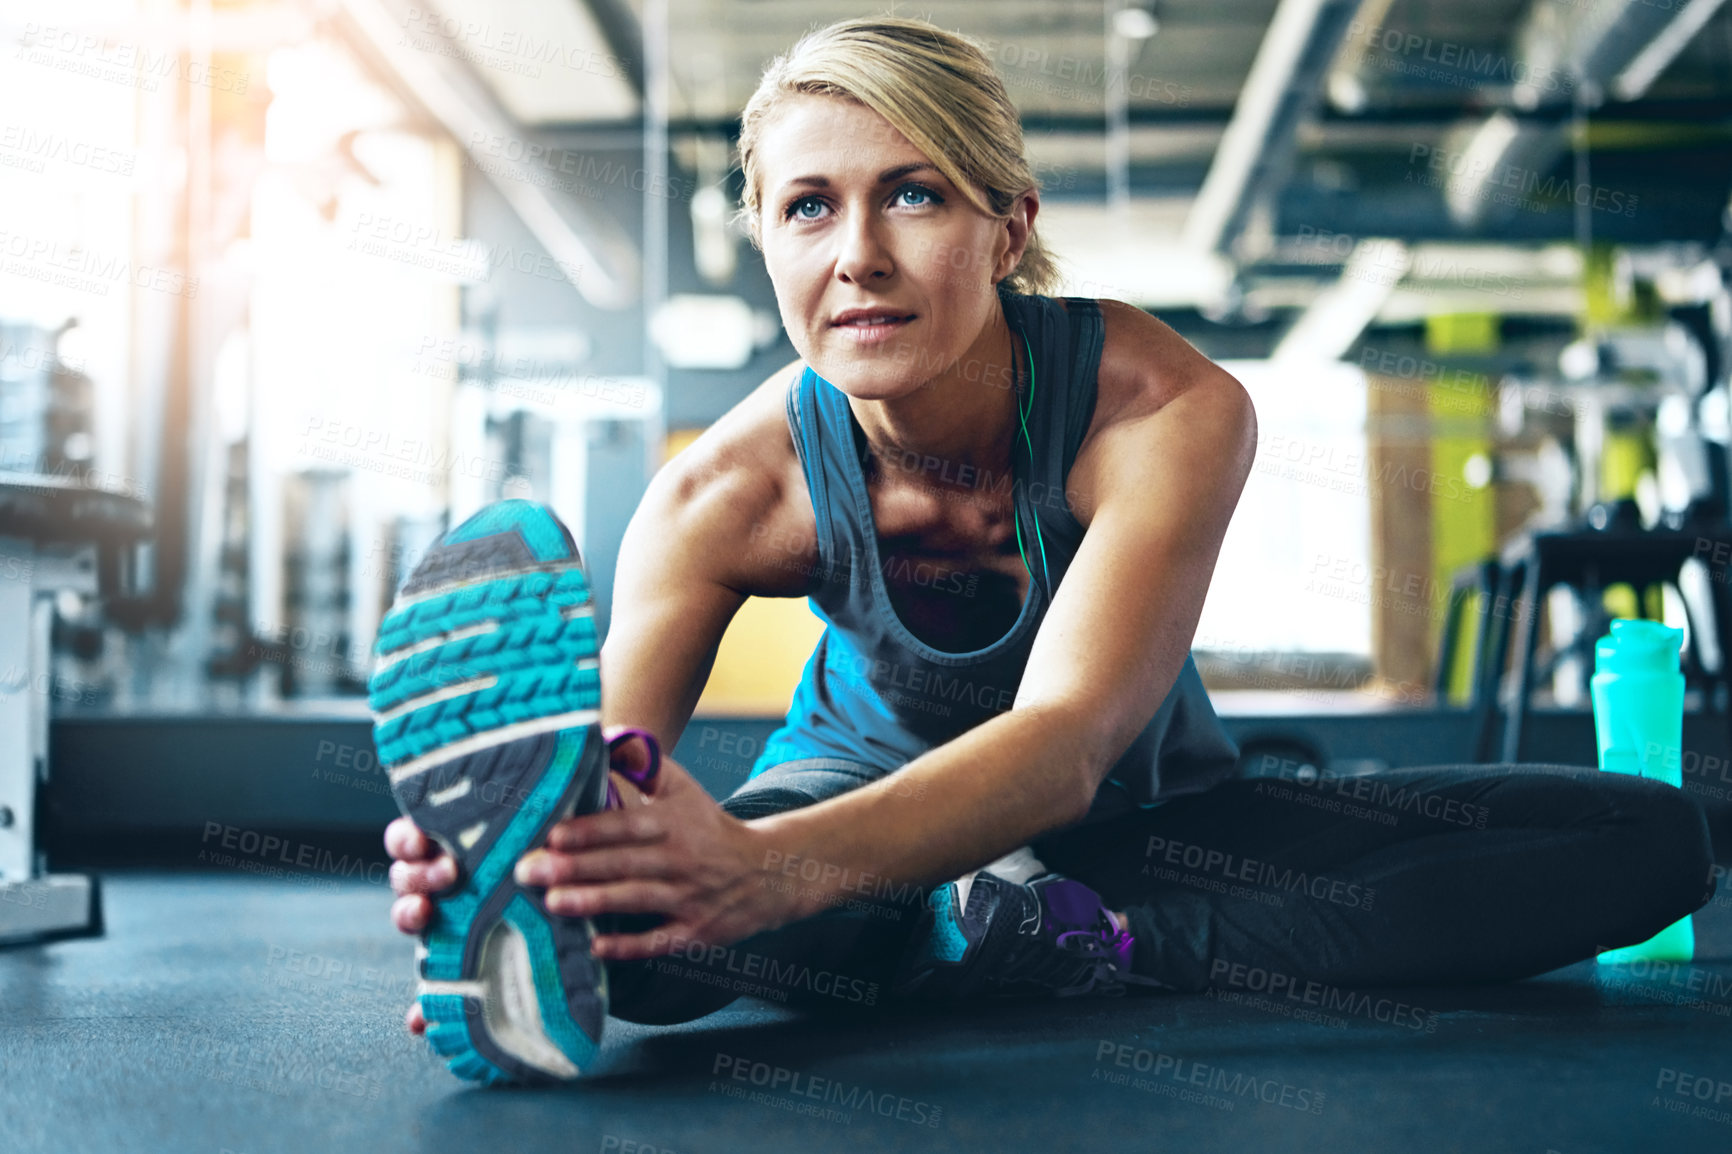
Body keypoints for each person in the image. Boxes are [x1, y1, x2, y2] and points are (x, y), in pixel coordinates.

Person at [375, 17, 1715, 1081]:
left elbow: (1069, 739)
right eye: (807, 208)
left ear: (1007, 228)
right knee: (647, 938)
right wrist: (536, 847)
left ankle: (1042, 934)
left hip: (1151, 828)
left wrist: (759, 874)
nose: (858, 256)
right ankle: (972, 929)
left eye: (911, 195)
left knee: (1648, 842)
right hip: (848, 809)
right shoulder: (720, 494)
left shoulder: (1163, 407)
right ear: (766, 240)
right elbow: (615, 770)